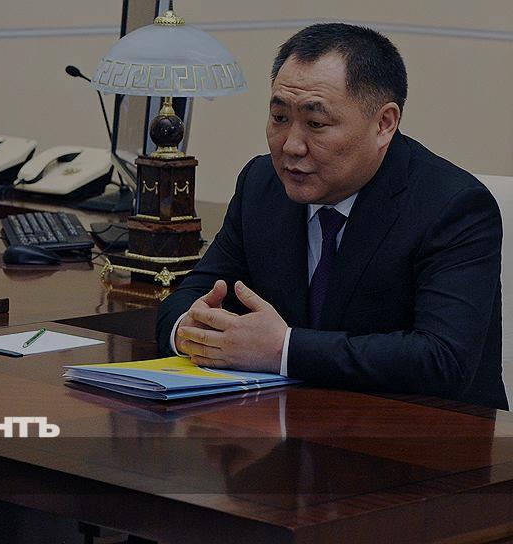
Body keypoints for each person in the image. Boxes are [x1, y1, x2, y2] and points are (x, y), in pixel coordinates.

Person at [156, 23, 506, 409]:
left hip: (427, 430)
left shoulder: (454, 206)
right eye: (279, 118)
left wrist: (284, 349)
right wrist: (190, 331)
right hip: (290, 422)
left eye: (316, 124)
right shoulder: (261, 184)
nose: (292, 145)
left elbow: (443, 360)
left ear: (384, 124)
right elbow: (189, 298)